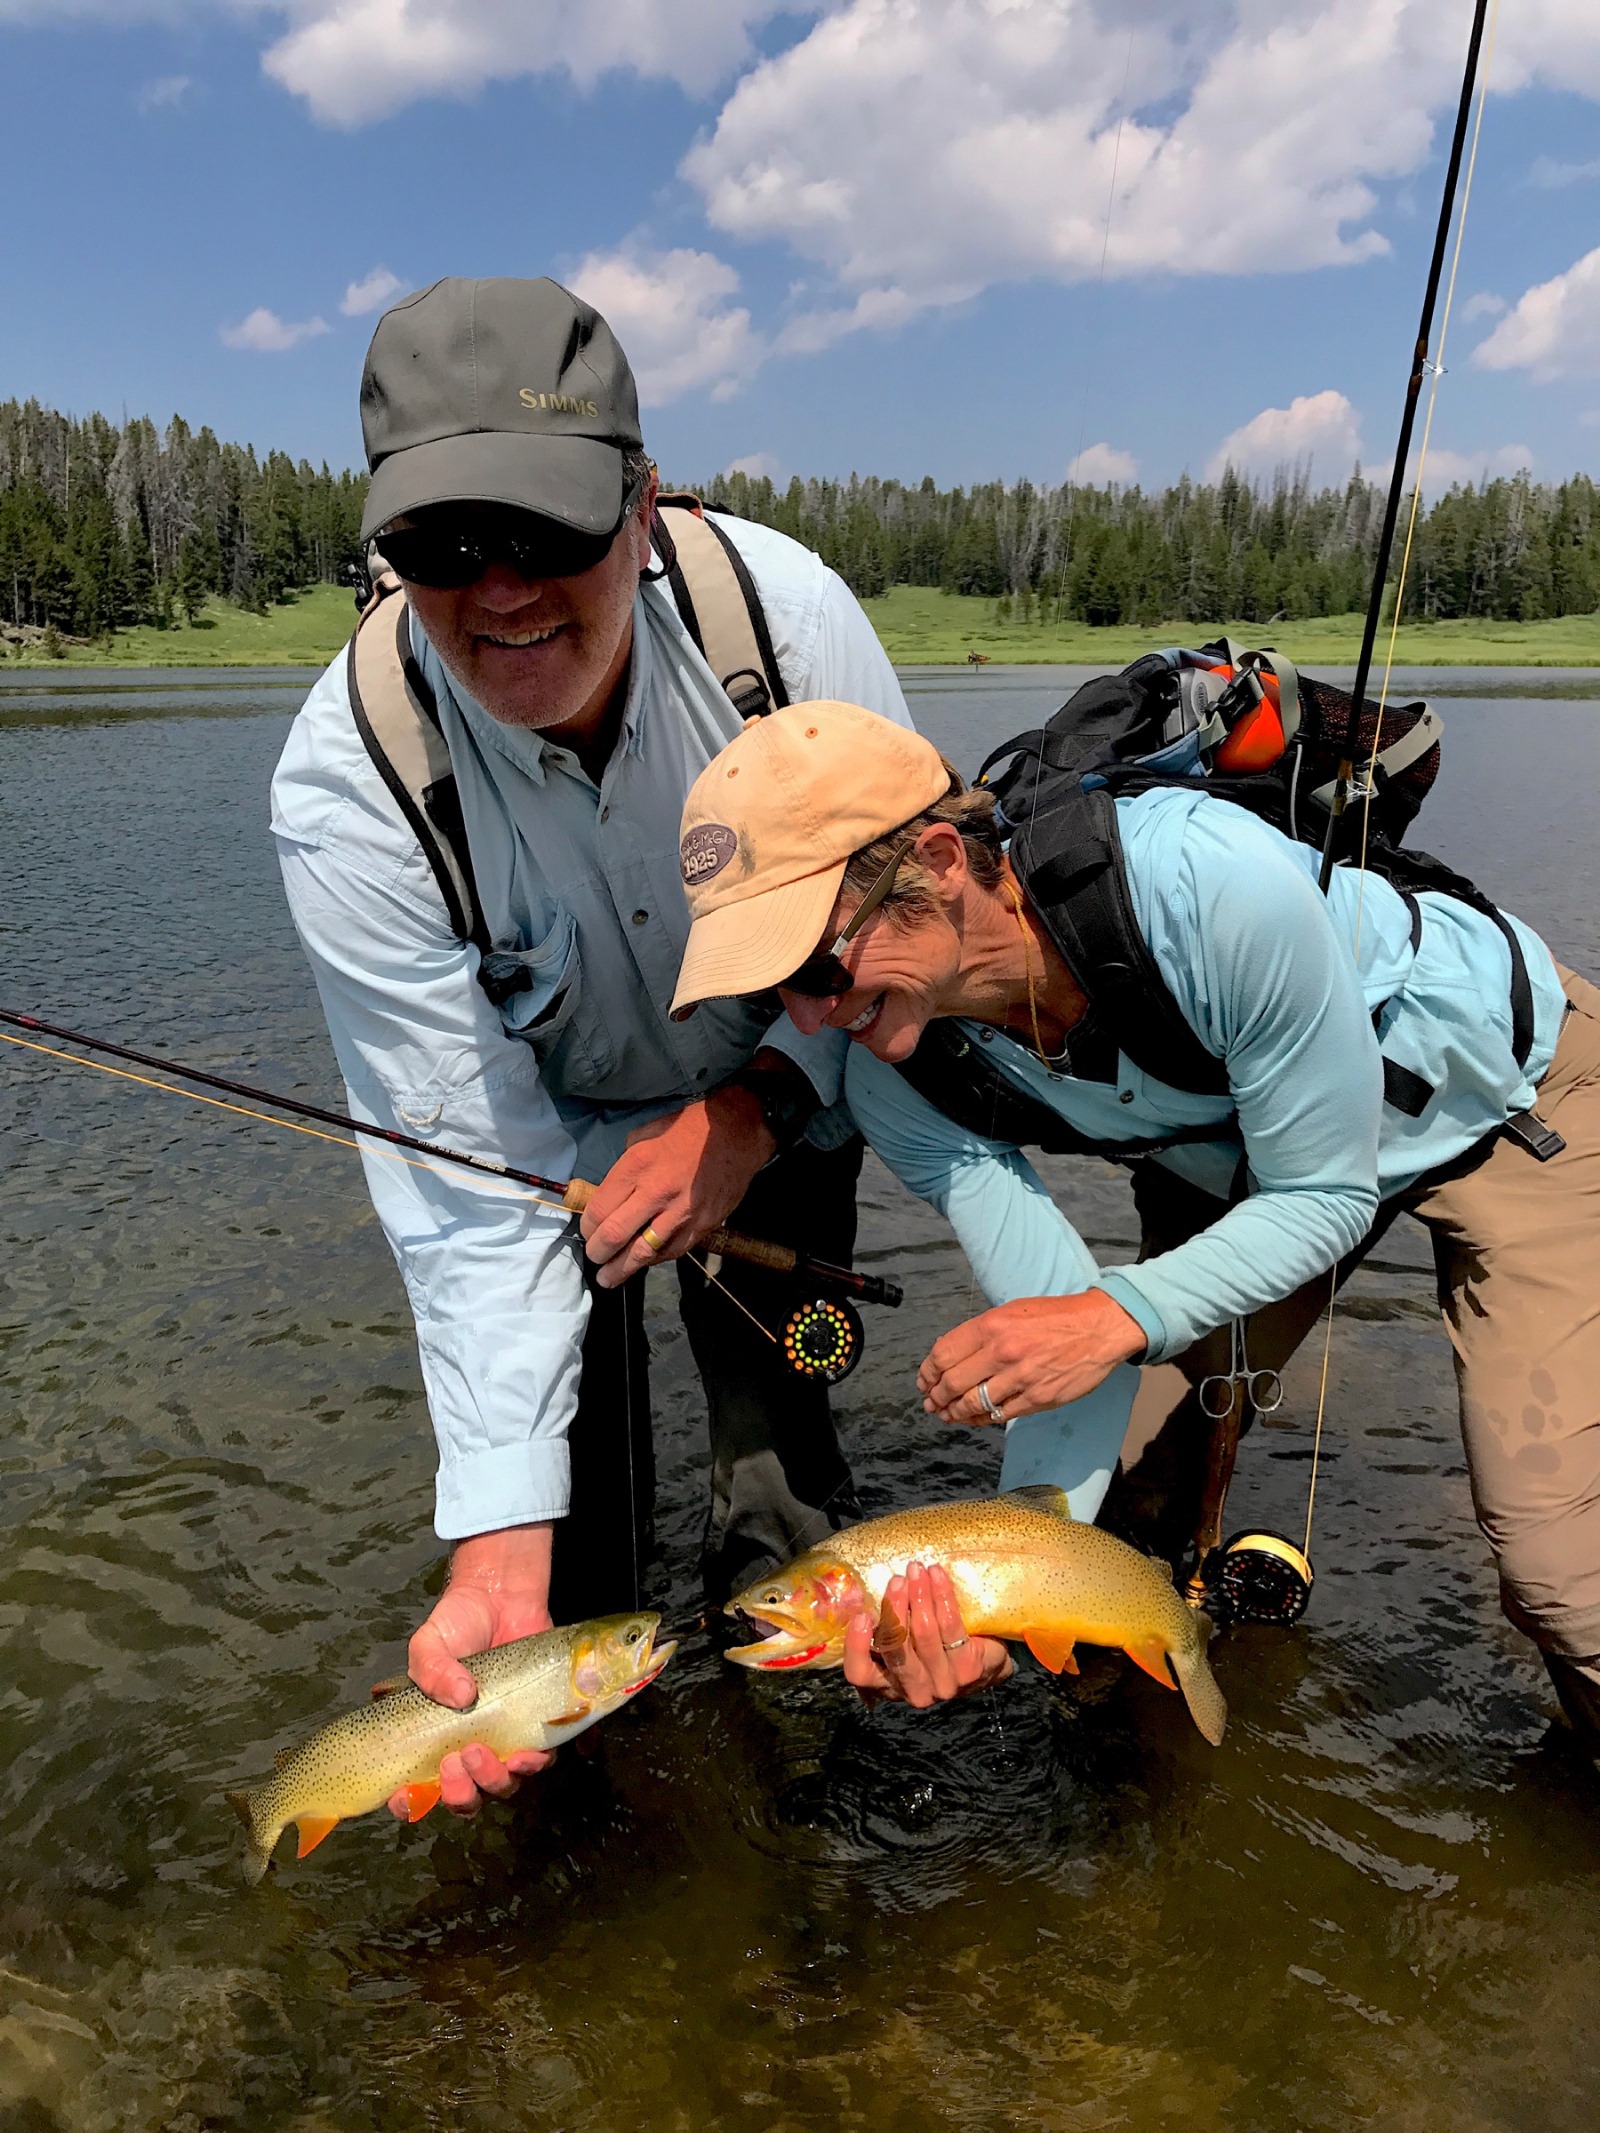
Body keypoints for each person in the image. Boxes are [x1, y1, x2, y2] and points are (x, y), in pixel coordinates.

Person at [269, 278, 912, 1818]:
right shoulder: (348, 788)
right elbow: (465, 1191)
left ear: (639, 503)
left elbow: (905, 963)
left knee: (783, 1466)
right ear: (386, 550)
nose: (500, 593)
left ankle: (803, 1818)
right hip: (544, 1166)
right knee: (563, 1545)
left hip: (788, 1101)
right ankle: (585, 1840)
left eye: (547, 532)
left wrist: (753, 1112)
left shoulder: (788, 628)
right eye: (439, 548)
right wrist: (497, 1537)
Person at [667, 699, 1600, 1750]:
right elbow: (1059, 1337)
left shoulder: (1207, 888)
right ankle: (1138, 1791)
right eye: (768, 989)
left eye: (816, 968)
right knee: (1132, 1507)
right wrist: (1001, 1597)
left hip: (1496, 1101)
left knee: (1560, 1580)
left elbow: (1323, 1198)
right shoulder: (904, 1082)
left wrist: (1116, 1313)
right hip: (1250, 1154)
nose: (804, 1021)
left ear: (935, 861)